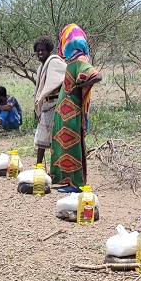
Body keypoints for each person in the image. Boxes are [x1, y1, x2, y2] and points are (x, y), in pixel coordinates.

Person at [50, 24, 101, 190]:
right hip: (65, 114)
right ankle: (66, 180)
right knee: (63, 146)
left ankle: (76, 183)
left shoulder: (80, 60)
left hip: (72, 113)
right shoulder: (73, 61)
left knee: (72, 147)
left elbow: (96, 76)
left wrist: (78, 88)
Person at [33, 36, 67, 168]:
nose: (40, 53)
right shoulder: (41, 67)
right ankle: (39, 167)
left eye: (43, 50)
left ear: (48, 50)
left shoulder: (54, 62)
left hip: (55, 104)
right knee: (42, 138)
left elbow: (65, 75)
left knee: (54, 139)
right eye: (38, 51)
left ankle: (54, 168)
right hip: (46, 105)